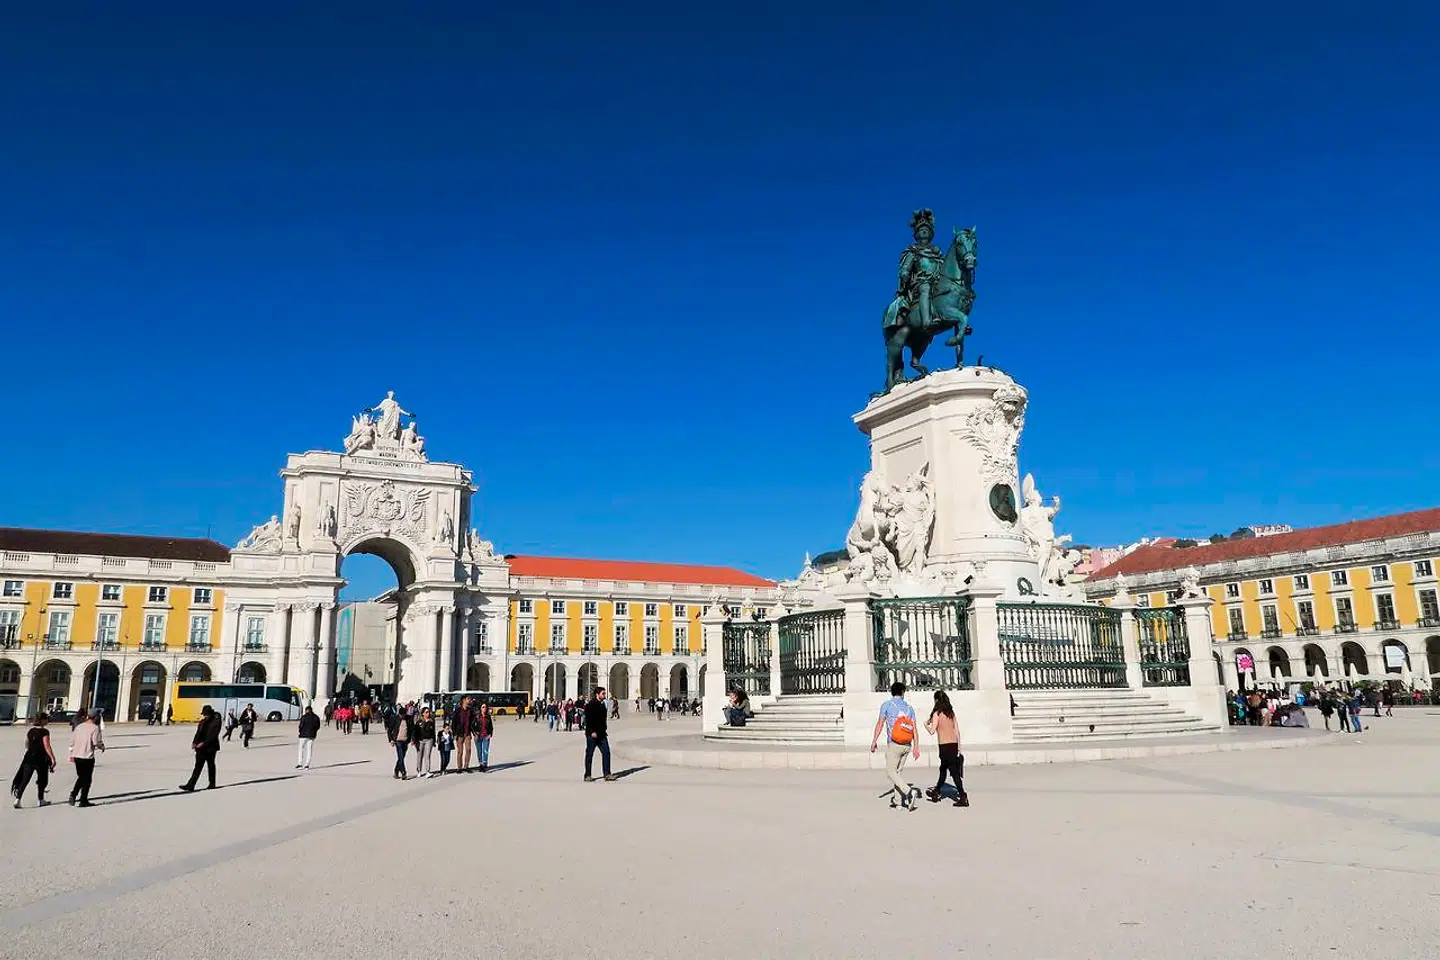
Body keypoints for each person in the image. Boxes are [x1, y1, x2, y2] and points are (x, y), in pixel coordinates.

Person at [871, 681, 921, 810]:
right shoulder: (909, 708)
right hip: (907, 745)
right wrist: (916, 746)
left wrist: (874, 741)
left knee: (890, 772)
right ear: (903, 692)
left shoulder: (887, 705)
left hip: (894, 744)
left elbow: (880, 724)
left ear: (892, 692)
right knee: (898, 772)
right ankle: (898, 802)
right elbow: (914, 729)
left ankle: (908, 791)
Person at [924, 691, 968, 807]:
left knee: (953, 771)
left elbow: (932, 731)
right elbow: (957, 730)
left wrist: (925, 725)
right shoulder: (950, 713)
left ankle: (963, 796)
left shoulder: (937, 713)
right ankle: (936, 791)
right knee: (943, 769)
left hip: (944, 745)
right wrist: (959, 747)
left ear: (936, 700)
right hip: (953, 744)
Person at [11, 713, 57, 809]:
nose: (47, 721)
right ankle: (40, 799)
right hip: (40, 759)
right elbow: (47, 746)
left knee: (25, 779)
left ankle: (17, 800)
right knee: (42, 780)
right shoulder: (44, 731)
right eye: (46, 719)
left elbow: (27, 744)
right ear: (42, 720)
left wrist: (32, 748)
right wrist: (52, 758)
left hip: (29, 757)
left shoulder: (31, 731)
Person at [180, 704, 223, 792]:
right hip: (201, 748)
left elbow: (213, 734)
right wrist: (194, 742)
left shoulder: (216, 720)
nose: (204, 716)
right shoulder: (203, 721)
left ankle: (212, 783)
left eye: (206, 714)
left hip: (210, 747)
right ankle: (191, 785)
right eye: (204, 714)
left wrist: (203, 743)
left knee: (210, 765)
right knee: (198, 766)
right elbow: (198, 733)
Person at [68, 709, 106, 807]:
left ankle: (76, 795)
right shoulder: (95, 728)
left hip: (77, 756)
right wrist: (101, 746)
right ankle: (81, 798)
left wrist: (72, 753)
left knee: (81, 777)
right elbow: (96, 742)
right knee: (87, 779)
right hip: (87, 757)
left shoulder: (79, 726)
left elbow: (72, 741)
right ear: (96, 717)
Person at [583, 687, 615, 782]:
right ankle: (587, 775)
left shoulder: (602, 704)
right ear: (597, 694)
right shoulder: (590, 705)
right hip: (592, 734)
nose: (604, 695)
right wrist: (592, 731)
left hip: (602, 734)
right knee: (589, 754)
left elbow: (603, 720)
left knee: (606, 752)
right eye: (603, 693)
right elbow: (588, 720)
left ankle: (607, 774)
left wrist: (604, 729)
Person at [389, 707, 414, 780]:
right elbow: (390, 730)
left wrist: (413, 739)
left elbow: (412, 730)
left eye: (404, 715)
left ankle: (396, 770)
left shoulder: (409, 718)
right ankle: (403, 772)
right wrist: (391, 740)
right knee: (400, 756)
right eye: (401, 715)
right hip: (398, 740)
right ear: (399, 714)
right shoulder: (395, 718)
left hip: (406, 740)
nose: (402, 716)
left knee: (402, 757)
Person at [413, 708, 437, 779]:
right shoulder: (419, 721)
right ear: (423, 713)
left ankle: (428, 771)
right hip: (420, 740)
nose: (428, 714)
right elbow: (415, 731)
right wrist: (414, 740)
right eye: (426, 712)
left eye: (428, 712)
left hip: (429, 740)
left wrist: (434, 741)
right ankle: (419, 771)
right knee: (419, 756)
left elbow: (433, 731)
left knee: (427, 755)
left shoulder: (432, 721)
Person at [453, 696, 472, 773]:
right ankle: (459, 767)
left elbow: (472, 722)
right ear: (464, 700)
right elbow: (454, 722)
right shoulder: (458, 710)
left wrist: (472, 732)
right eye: (468, 699)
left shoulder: (470, 710)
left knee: (468, 750)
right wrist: (454, 733)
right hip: (459, 734)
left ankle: (466, 766)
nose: (470, 700)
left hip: (467, 733)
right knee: (460, 751)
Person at [474, 701, 495, 772]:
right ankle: (480, 764)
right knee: (479, 751)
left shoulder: (488, 716)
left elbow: (491, 727)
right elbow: (472, 725)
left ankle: (484, 765)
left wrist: (490, 734)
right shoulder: (477, 716)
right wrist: (475, 734)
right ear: (480, 708)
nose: (484, 709)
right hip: (478, 736)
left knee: (485, 751)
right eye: (483, 707)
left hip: (486, 736)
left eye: (485, 707)